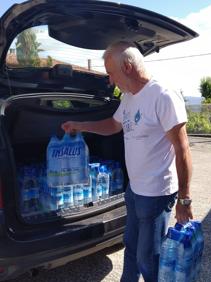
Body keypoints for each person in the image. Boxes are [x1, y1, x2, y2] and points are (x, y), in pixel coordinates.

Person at [61, 41, 193, 282]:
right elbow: (113, 125)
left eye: (111, 72)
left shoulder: (162, 95)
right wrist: (81, 126)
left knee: (148, 258)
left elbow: (182, 149)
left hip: (156, 194)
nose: (110, 80)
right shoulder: (129, 97)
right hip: (134, 191)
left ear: (129, 67)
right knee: (130, 248)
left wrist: (184, 199)